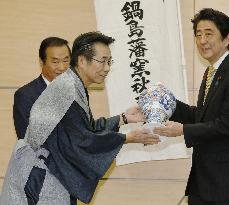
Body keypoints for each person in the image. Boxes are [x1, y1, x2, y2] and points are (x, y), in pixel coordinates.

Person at [0, 32, 160, 205]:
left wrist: (123, 118)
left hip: (52, 173)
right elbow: (80, 141)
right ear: (82, 60)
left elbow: (85, 129)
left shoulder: (73, 84)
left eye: (109, 62)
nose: (107, 68)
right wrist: (126, 138)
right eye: (102, 61)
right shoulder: (66, 88)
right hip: (38, 179)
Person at [154, 8, 229, 205]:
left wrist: (183, 130)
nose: (202, 40)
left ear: (227, 38)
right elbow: (203, 116)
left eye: (208, 34)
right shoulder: (211, 71)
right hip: (206, 180)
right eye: (198, 34)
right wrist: (169, 103)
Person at [13, 37, 71, 139]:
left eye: (66, 61)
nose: (62, 67)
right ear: (41, 62)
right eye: (55, 62)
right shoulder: (25, 96)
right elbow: (29, 141)